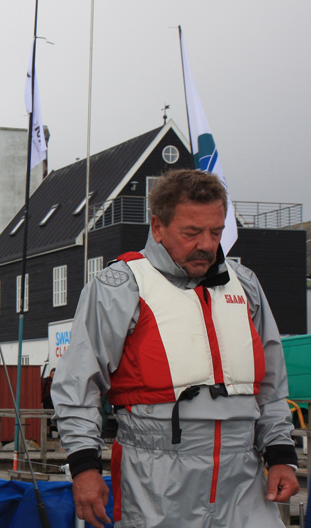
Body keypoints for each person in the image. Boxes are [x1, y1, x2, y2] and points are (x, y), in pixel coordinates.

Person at [51, 169, 299, 528]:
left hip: (242, 481)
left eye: (216, 232)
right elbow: (77, 386)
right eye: (192, 233)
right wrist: (84, 468)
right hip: (155, 481)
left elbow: (272, 386)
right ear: (157, 227)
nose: (207, 244)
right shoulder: (118, 288)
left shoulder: (246, 286)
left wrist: (280, 455)